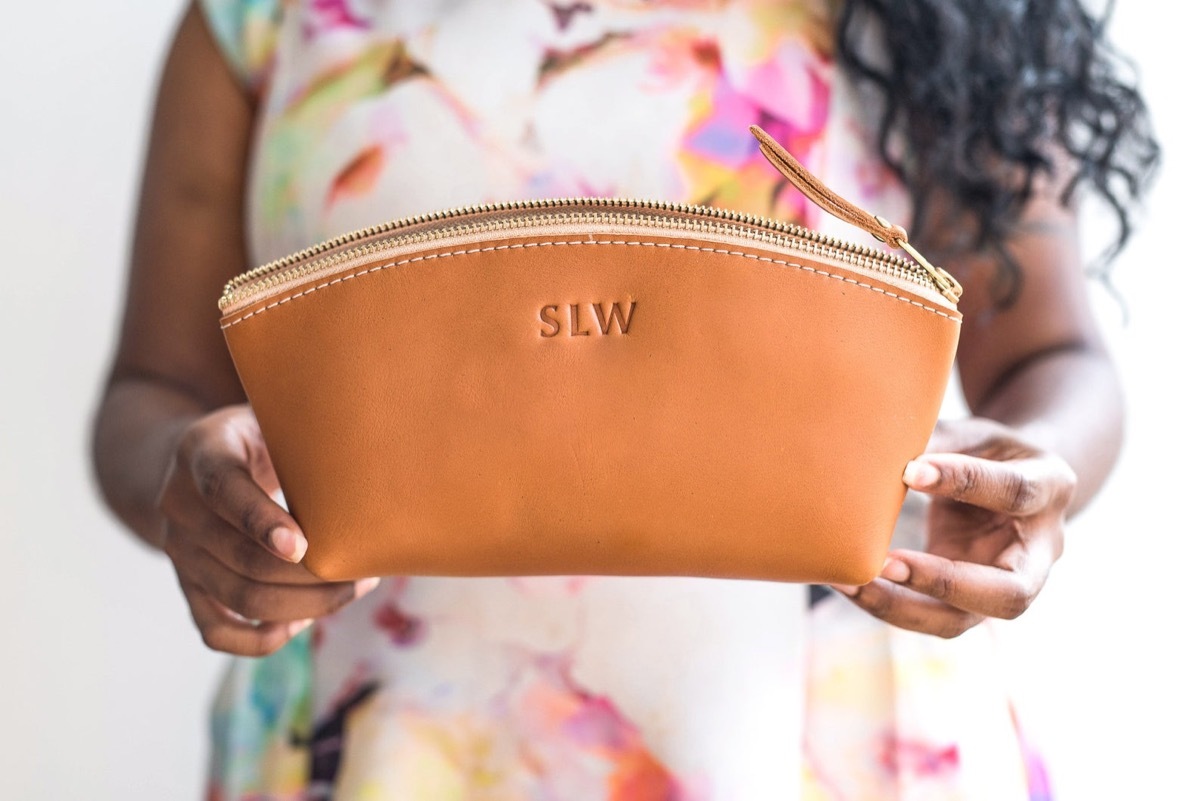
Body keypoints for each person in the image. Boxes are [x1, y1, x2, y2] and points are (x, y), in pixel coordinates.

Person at [91, 0, 1158, 797]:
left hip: (839, 737)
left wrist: (1025, 477)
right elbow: (154, 390)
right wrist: (198, 497)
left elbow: (1054, 355)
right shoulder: (260, 18)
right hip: (387, 739)